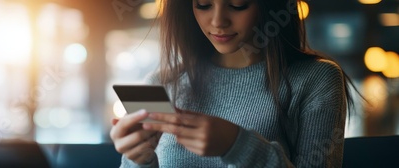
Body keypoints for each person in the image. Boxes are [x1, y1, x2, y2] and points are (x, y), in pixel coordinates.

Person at [110, 0, 357, 167]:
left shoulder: (317, 79)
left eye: (238, 4)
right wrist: (137, 160)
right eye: (203, 4)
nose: (218, 21)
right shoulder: (161, 83)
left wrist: (238, 145)